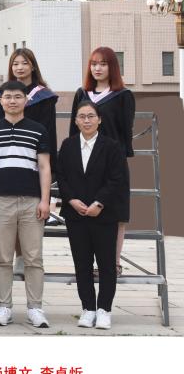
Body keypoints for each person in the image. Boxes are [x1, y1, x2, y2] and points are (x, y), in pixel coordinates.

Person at [0, 80, 53, 328]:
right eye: (8, 97)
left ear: (26, 100)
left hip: (32, 201)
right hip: (1, 200)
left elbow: (44, 166)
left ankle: (35, 308)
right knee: (2, 258)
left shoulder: (38, 130)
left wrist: (45, 200)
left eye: (17, 97)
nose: (12, 101)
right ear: (1, 101)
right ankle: (4, 308)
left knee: (34, 258)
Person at [56, 101, 128, 330]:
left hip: (103, 215)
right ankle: (88, 308)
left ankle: (104, 309)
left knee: (107, 265)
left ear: (99, 120)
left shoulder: (112, 146)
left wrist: (99, 203)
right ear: (75, 121)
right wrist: (71, 200)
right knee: (82, 264)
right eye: (82, 116)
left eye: (91, 116)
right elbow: (61, 176)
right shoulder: (68, 145)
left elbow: (116, 179)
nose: (86, 120)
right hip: (76, 214)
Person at [69, 46, 135, 277]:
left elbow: (125, 133)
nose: (97, 68)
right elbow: (73, 131)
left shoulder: (123, 95)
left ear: (112, 67)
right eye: (94, 64)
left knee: (115, 214)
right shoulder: (82, 94)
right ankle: (88, 264)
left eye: (103, 64)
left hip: (112, 163)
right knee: (86, 212)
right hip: (85, 163)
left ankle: (113, 263)